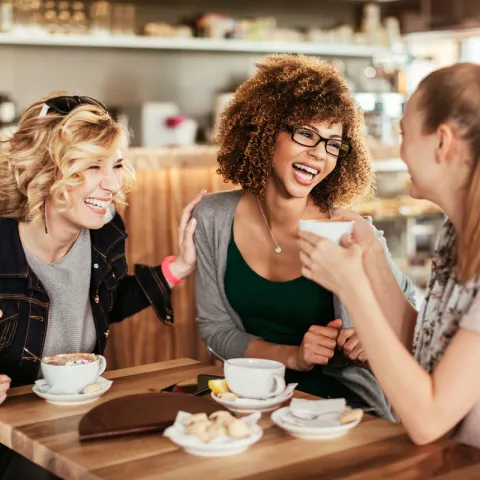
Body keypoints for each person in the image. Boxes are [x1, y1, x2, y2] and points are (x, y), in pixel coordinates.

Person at [193, 54, 415, 418]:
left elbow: (413, 328)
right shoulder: (213, 218)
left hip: (344, 411)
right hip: (252, 403)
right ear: (264, 129)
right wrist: (293, 356)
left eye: (332, 143)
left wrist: (376, 340)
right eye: (306, 133)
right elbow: (215, 329)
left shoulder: (351, 233)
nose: (318, 154)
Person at [0, 94, 204, 477]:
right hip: (12, 439)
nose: (112, 184)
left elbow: (103, 300)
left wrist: (179, 265)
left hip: (76, 419)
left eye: (116, 165)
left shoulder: (104, 232)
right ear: (44, 169)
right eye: (94, 166)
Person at [298, 62, 480, 448]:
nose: (399, 150)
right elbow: (426, 347)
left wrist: (353, 288)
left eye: (403, 134)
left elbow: (428, 419)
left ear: (441, 142)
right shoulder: (455, 233)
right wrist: (373, 261)